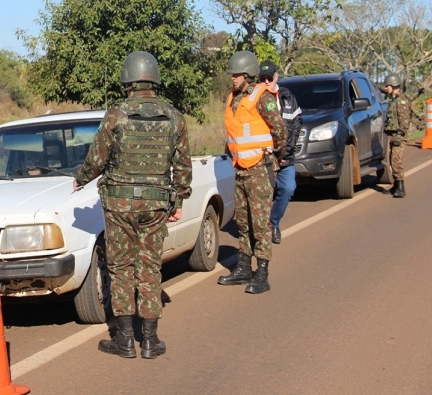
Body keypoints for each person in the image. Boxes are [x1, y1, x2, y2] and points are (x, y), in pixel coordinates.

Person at [73, 51, 192, 360]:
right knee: (150, 267)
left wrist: (80, 179)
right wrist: (177, 199)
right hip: (155, 204)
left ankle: (125, 339)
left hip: (119, 205)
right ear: (154, 78)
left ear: (128, 78)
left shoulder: (116, 114)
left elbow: (97, 158)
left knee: (121, 268)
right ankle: (151, 341)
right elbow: (182, 167)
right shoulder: (174, 115)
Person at [218, 51, 287, 294]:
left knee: (260, 224)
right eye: (232, 75)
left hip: (259, 169)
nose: (233, 78)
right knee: (243, 222)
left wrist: (272, 154)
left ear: (248, 74)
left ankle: (262, 273)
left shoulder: (262, 96)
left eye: (236, 74)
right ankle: (244, 267)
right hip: (240, 169)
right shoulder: (233, 98)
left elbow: (280, 130)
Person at [258, 60, 302, 244]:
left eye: (270, 78)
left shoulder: (286, 96)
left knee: (288, 188)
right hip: (264, 157)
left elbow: (295, 126)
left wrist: (285, 153)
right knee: (263, 195)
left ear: (276, 77)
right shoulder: (255, 98)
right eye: (263, 79)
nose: (267, 82)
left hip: (285, 156)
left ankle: (273, 222)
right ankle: (260, 232)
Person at [383, 73, 411, 198]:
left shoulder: (401, 101)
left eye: (387, 86)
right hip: (393, 134)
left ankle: (401, 186)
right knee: (392, 159)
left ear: (393, 85)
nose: (385, 88)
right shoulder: (393, 100)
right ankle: (395, 185)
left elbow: (404, 121)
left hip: (398, 135)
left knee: (396, 161)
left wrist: (399, 135)